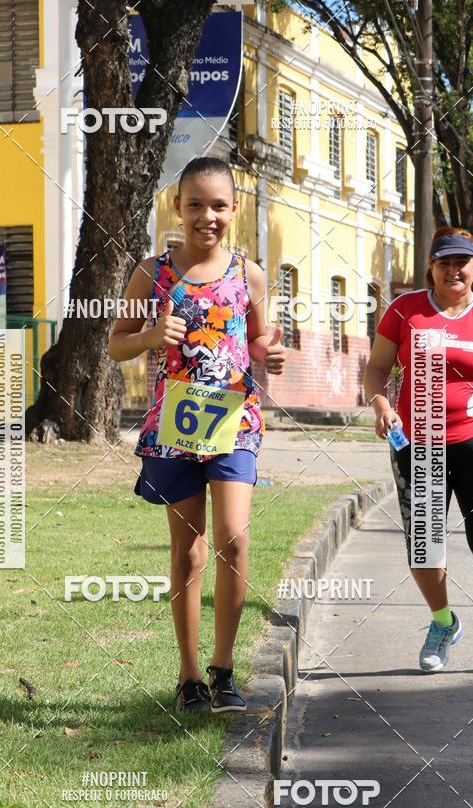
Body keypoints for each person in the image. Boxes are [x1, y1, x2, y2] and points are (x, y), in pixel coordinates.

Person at [107, 157, 286, 712]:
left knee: (234, 538)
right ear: (176, 207)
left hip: (235, 421)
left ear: (234, 209)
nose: (207, 216)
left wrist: (270, 353)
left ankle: (223, 670)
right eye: (195, 205)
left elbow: (258, 338)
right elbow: (116, 344)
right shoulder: (152, 272)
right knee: (188, 553)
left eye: (219, 206)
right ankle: (189, 677)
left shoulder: (250, 274)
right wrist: (150, 336)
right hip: (176, 425)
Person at [364, 226, 473, 675]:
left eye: (461, 262)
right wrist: (381, 406)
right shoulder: (405, 310)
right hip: (417, 443)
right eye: (444, 262)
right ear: (431, 267)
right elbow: (376, 369)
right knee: (425, 545)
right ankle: (443, 622)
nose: (453, 270)